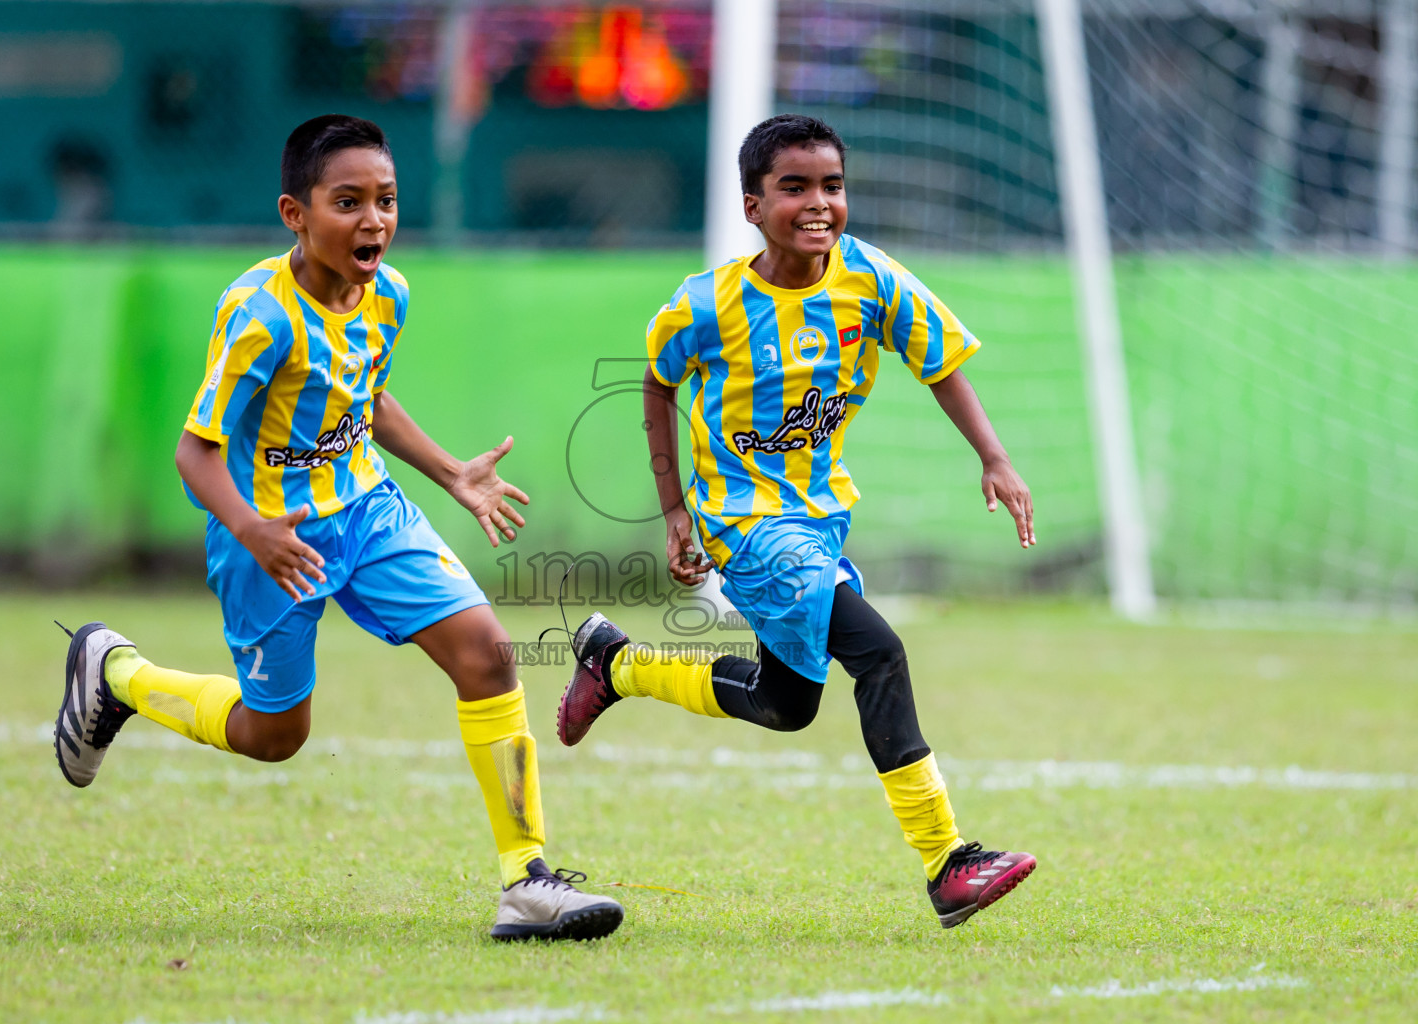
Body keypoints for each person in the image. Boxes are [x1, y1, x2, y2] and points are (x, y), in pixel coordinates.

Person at [54, 114, 621, 942]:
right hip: (273, 537)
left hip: (369, 510)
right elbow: (194, 453)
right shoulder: (259, 317)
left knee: (490, 656)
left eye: (386, 201)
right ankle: (119, 677)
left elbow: (366, 397)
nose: (374, 221)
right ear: (296, 214)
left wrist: (451, 472)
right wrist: (252, 531)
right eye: (348, 202)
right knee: (274, 734)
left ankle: (525, 881)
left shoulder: (387, 294)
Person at [556, 114, 1037, 929]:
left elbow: (941, 363)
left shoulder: (871, 280)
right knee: (878, 652)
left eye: (833, 186)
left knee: (788, 704)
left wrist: (994, 456)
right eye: (795, 187)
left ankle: (617, 665)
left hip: (821, 523)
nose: (819, 204)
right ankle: (949, 865)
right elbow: (656, 384)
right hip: (746, 526)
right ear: (752, 205)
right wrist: (675, 508)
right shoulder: (706, 306)